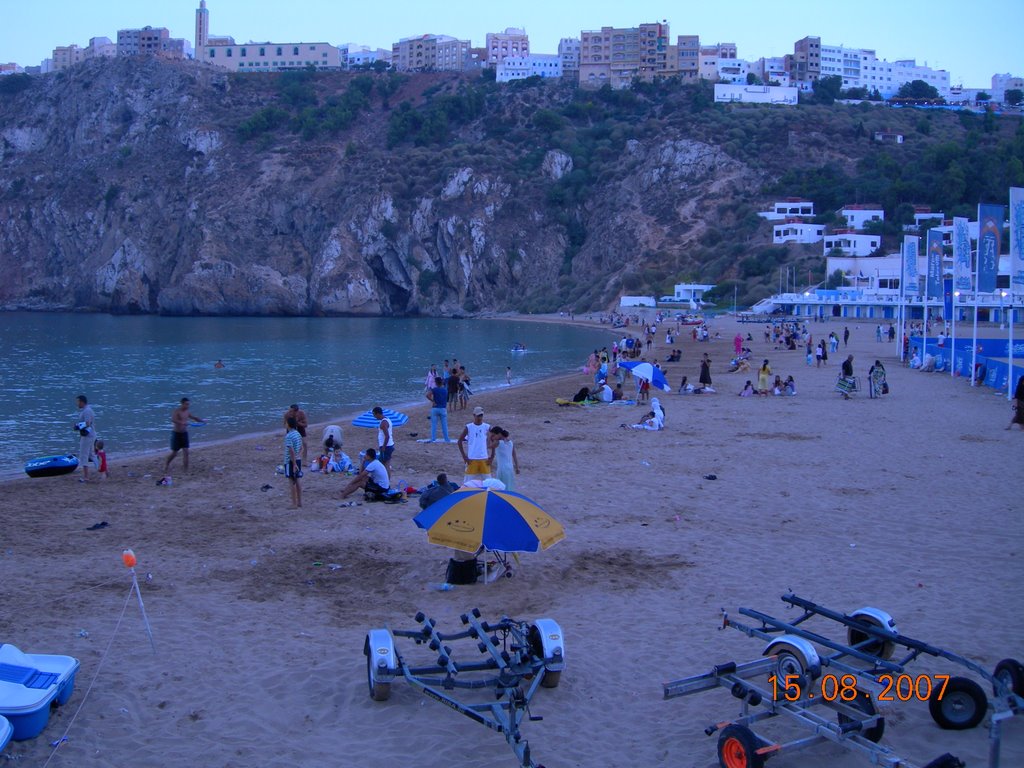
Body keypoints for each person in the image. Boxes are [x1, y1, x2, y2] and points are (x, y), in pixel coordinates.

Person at [162, 397, 205, 474]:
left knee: (186, 452)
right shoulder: (177, 411)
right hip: (176, 434)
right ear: (182, 404)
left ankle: (185, 469)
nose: (188, 406)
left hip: (184, 433)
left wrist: (201, 421)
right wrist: (182, 423)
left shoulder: (187, 412)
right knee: (175, 453)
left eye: (188, 404)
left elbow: (193, 417)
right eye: (186, 404)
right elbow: (173, 420)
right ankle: (166, 464)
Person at [458, 406, 492, 483]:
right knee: (467, 483)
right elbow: (459, 441)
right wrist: (464, 456)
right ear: (474, 415)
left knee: (488, 483)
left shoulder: (487, 427)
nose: (480, 417)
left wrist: (492, 456)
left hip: (484, 458)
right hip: (472, 459)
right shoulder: (469, 427)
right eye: (478, 415)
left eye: (481, 415)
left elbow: (494, 440)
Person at [73, 394, 96, 482]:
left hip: (87, 436)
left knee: (84, 455)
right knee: (91, 455)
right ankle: (103, 471)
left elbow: (87, 423)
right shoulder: (87, 410)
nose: (77, 404)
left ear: (82, 402)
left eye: (78, 402)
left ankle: (86, 476)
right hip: (90, 435)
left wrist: (77, 426)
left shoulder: (87, 411)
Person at [283, 416, 302, 508]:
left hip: (290, 461)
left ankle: (294, 504)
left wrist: (293, 463)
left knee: (291, 482)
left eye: (286, 422)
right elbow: (301, 447)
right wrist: (297, 457)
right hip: (297, 459)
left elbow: (291, 451)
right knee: (297, 480)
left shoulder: (289, 436)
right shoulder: (297, 433)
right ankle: (299, 502)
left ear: (289, 424)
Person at [426, 376, 450, 442]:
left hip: (435, 408)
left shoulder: (434, 389)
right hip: (443, 408)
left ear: (436, 383)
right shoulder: (445, 390)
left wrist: (433, 401)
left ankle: (433, 438)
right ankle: (447, 439)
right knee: (444, 425)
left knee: (434, 425)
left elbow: (427, 395)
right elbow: (447, 399)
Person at [373, 406, 395, 472]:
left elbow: (387, 436)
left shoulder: (383, 423)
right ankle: (387, 480)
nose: (374, 416)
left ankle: (386, 480)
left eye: (374, 414)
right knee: (386, 464)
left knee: (385, 465)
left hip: (386, 446)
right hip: (389, 444)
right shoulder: (387, 419)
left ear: (377, 414)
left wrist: (383, 447)